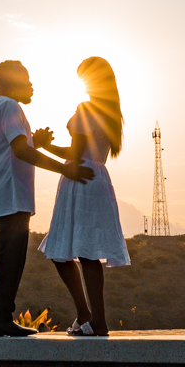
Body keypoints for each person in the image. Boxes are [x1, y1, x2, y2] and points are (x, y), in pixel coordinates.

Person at [0, 60, 95, 337]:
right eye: (27, 80)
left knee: (10, 255)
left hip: (5, 192)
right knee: (11, 256)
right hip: (10, 193)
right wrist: (64, 168)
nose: (32, 85)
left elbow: (20, 145)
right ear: (12, 83)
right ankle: (0, 318)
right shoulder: (9, 105)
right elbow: (21, 151)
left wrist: (38, 142)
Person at [38, 57, 131, 337]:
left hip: (80, 177)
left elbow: (75, 154)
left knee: (75, 253)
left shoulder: (86, 109)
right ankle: (89, 317)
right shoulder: (111, 112)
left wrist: (44, 146)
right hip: (98, 177)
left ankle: (92, 318)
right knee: (83, 251)